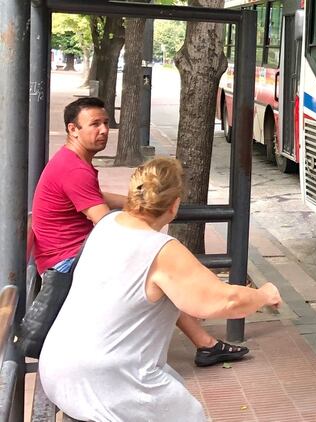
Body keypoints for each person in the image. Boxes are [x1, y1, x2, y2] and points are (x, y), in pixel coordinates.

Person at [39, 158, 283, 421]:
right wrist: (264, 294)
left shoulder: (107, 225)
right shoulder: (160, 249)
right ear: (175, 205)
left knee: (171, 388)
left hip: (58, 366)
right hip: (105, 379)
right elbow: (224, 301)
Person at [31, 97, 248, 367]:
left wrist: (137, 202)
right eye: (94, 124)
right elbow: (108, 228)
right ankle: (204, 344)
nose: (103, 131)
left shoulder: (70, 160)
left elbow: (97, 197)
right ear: (72, 129)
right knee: (153, 271)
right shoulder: (74, 169)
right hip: (65, 262)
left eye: (106, 123)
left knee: (155, 274)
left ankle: (205, 344)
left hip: (66, 254)